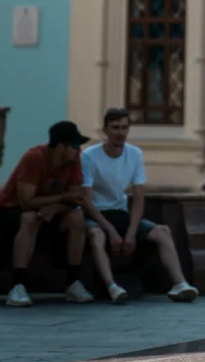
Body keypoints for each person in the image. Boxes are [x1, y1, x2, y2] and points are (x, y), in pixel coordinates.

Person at [80, 107, 198, 303]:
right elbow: (86, 200)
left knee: (162, 231)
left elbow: (138, 196)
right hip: (97, 215)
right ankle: (112, 286)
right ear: (105, 130)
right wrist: (111, 231)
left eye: (124, 127)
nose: (120, 132)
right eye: (115, 127)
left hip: (120, 212)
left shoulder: (134, 154)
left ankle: (180, 284)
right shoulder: (90, 156)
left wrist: (132, 233)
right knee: (96, 235)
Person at [0, 119, 94, 307]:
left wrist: (54, 207)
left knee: (76, 218)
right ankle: (17, 286)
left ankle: (73, 283)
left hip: (47, 214)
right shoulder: (35, 158)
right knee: (29, 218)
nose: (79, 150)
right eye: (75, 145)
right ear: (61, 146)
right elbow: (26, 201)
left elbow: (76, 197)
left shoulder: (73, 160)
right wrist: (59, 200)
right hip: (6, 214)